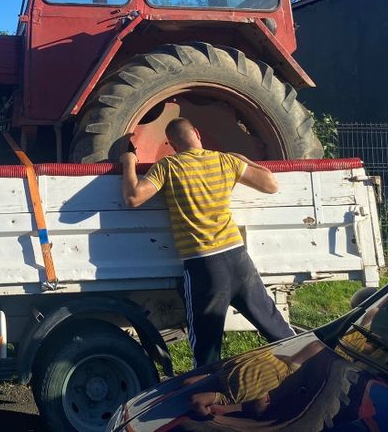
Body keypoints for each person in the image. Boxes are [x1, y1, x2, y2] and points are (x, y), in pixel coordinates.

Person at [121, 118, 295, 369]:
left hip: (204, 266)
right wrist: (242, 159)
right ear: (197, 133)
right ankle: (313, 366)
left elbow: (133, 198)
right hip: (239, 259)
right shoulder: (225, 161)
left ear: (171, 144)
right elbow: (271, 184)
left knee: (206, 351)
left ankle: (208, 390)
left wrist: (129, 162)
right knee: (277, 329)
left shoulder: (169, 166)